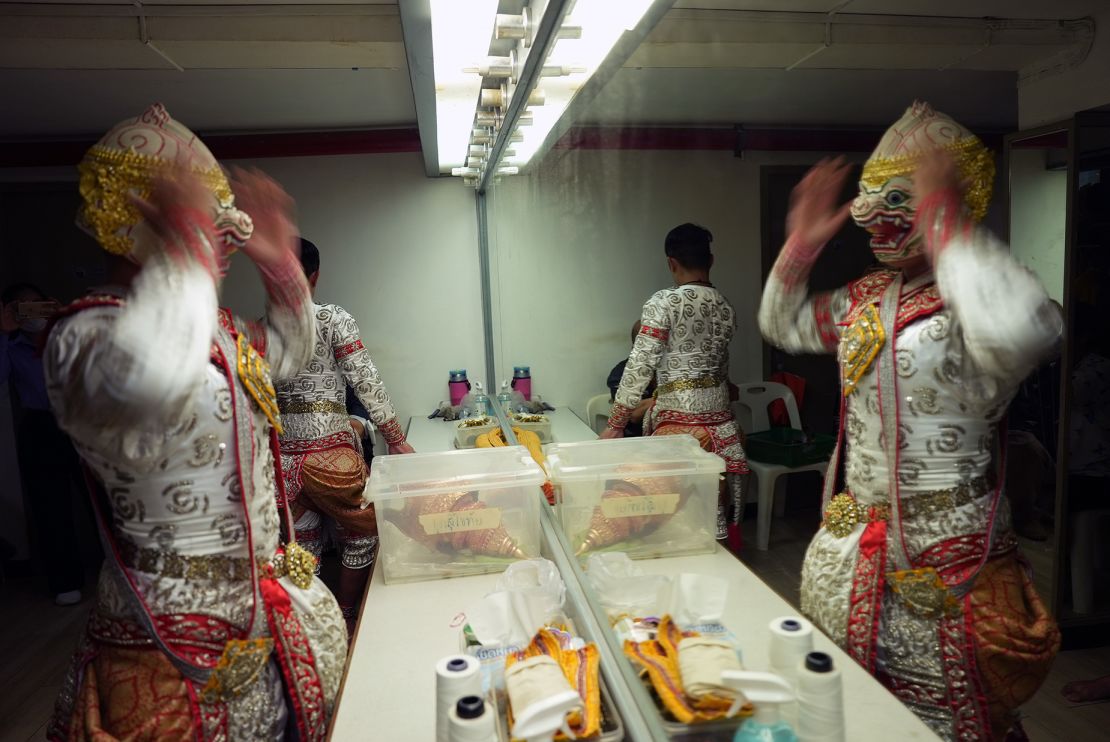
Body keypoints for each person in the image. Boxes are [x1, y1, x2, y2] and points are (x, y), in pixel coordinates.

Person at [759, 101, 1061, 741]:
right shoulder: (866, 296)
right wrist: (801, 246)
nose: (872, 215)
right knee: (859, 706)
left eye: (900, 197)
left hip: (951, 549)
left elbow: (1022, 332)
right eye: (868, 198)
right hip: (858, 544)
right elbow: (782, 323)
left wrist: (944, 221)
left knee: (951, 715)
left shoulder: (984, 292)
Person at [45, 104, 346, 741]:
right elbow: (155, 376)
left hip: (262, 614)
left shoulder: (214, 329)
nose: (225, 237)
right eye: (207, 223)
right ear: (138, 223)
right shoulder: (83, 336)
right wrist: (186, 256)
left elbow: (290, 353)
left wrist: (281, 265)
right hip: (163, 634)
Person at [275, 237, 414, 634]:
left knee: (304, 545)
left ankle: (318, 629)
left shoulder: (260, 330)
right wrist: (395, 437)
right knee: (364, 533)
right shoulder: (331, 318)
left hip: (282, 460)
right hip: (330, 456)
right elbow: (365, 379)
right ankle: (348, 615)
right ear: (314, 276)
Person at [602, 223, 749, 551]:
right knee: (714, 514)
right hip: (724, 429)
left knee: (671, 523)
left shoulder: (664, 302)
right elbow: (721, 366)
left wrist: (615, 424)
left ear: (671, 263)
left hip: (678, 428)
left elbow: (639, 365)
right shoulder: (725, 307)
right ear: (710, 260)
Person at [1, 282, 87, 606]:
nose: (32, 313)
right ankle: (65, 580)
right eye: (22, 308)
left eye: (38, 305)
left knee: (101, 500)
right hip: (40, 426)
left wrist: (64, 320)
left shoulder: (65, 335)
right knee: (50, 508)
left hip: (81, 421)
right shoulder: (11, 345)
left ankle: (122, 571)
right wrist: (2, 332)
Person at [605, 321, 656, 437]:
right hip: (635, 439)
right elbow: (633, 414)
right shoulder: (621, 372)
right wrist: (668, 397)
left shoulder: (671, 370)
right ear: (635, 346)